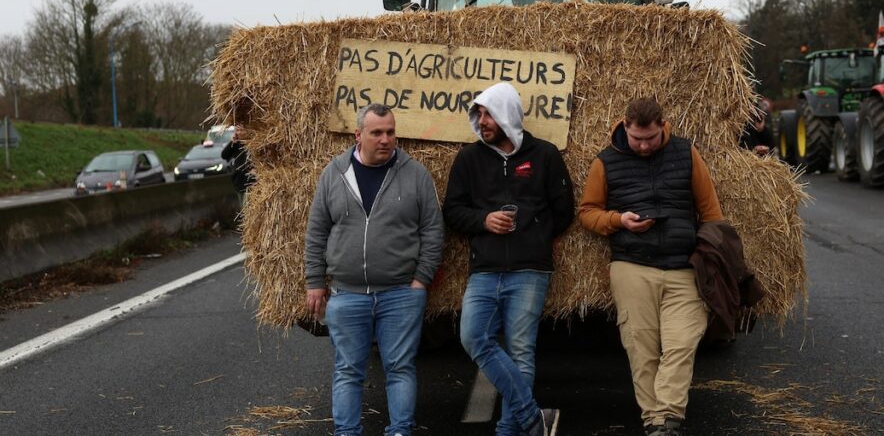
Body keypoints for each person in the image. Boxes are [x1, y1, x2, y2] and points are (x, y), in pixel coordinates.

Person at [577, 97, 724, 436]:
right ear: (624, 127)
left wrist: (708, 254)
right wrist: (618, 220)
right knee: (640, 344)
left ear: (663, 127)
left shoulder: (686, 153)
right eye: (637, 139)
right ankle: (656, 423)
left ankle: (668, 417)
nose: (644, 146)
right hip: (632, 265)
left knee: (682, 342)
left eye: (651, 138)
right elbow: (587, 212)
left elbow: (711, 212)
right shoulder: (606, 162)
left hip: (683, 266)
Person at [442, 83, 575, 436]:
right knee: (473, 338)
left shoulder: (544, 155)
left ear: (506, 116)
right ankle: (533, 419)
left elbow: (565, 210)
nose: (482, 121)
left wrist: (536, 236)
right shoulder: (469, 159)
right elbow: (452, 211)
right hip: (484, 269)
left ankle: (509, 431)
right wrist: (483, 221)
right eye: (479, 114)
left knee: (520, 350)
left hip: (530, 269)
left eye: (488, 114)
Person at [304, 103, 444, 436]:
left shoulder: (415, 175)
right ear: (358, 135)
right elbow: (317, 230)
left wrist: (421, 280)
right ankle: (347, 432)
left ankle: (399, 431)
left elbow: (433, 230)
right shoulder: (334, 174)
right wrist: (315, 280)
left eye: (391, 132)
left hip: (400, 294)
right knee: (348, 370)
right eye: (377, 132)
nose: (385, 139)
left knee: (399, 368)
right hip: (347, 294)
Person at [221, 124, 255, 206]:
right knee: (243, 210)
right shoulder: (236, 144)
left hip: (250, 182)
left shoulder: (254, 143)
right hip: (239, 181)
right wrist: (232, 142)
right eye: (237, 130)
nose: (239, 133)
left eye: (241, 130)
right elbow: (224, 155)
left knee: (248, 209)